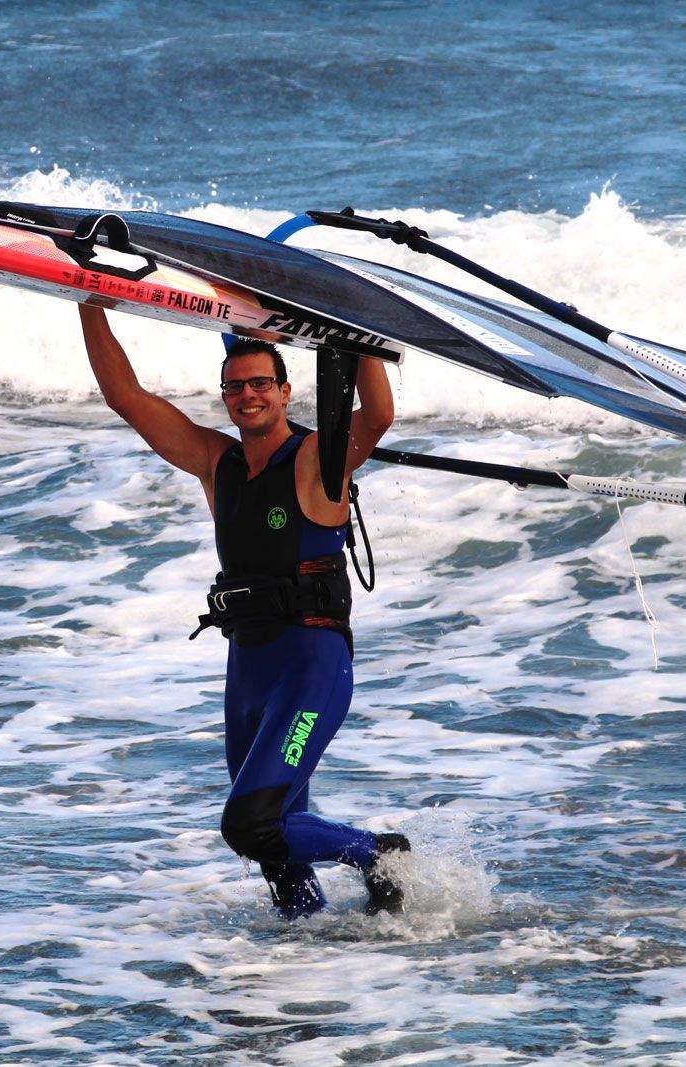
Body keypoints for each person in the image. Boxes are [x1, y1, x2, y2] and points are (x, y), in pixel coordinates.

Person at [78, 303, 410, 919]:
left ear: (285, 390)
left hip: (311, 666)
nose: (248, 396)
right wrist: (90, 297)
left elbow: (379, 415)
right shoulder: (216, 463)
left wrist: (358, 335)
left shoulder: (317, 460)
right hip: (249, 671)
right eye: (235, 387)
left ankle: (380, 851)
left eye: (261, 384)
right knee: (277, 845)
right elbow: (125, 396)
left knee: (252, 823)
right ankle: (307, 950)